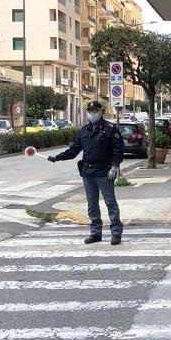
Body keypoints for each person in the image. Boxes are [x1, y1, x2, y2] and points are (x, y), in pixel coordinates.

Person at [48, 101, 125, 245]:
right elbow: (74, 150)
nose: (92, 113)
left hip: (104, 171)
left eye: (95, 111)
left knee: (110, 202)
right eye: (89, 111)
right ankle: (95, 233)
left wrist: (114, 167)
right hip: (88, 172)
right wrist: (57, 158)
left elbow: (118, 150)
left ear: (101, 112)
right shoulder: (84, 130)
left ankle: (116, 232)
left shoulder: (110, 129)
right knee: (92, 204)